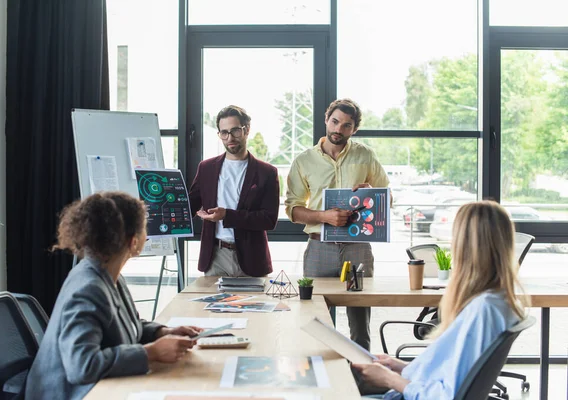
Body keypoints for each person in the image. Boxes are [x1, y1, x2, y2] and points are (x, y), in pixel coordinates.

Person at [25, 192, 202, 400]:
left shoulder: (107, 273)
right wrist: (150, 353)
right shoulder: (88, 288)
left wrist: (161, 332)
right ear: (133, 241)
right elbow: (82, 366)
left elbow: (127, 326)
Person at [352, 201, 529, 399]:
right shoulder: (498, 301)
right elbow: (447, 373)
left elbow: (447, 395)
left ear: (465, 246)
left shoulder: (484, 309)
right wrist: (398, 366)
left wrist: (389, 379)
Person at [285, 98, 389, 351]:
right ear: (326, 119)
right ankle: (322, 383)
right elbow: (293, 209)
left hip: (358, 249)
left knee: (360, 327)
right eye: (335, 122)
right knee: (316, 325)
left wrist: (373, 192)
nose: (338, 129)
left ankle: (360, 382)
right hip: (320, 249)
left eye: (346, 125)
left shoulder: (365, 155)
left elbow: (386, 197)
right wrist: (324, 217)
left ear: (354, 129)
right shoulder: (304, 161)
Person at [189, 105, 280, 277]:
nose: (230, 138)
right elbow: (190, 205)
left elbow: (268, 220)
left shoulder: (266, 172)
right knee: (213, 305)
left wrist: (227, 215)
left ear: (246, 130)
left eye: (235, 131)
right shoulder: (206, 168)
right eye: (224, 132)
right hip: (215, 255)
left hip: (252, 258)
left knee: (255, 305)